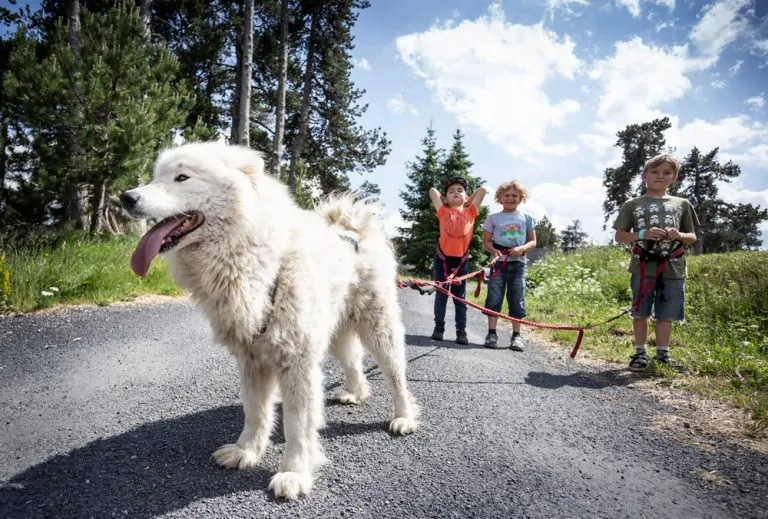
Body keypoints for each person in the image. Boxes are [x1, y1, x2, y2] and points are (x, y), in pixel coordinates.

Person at [612, 153, 699, 373]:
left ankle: (663, 355)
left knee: (666, 312)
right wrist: (643, 233)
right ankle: (640, 353)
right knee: (640, 311)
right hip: (643, 264)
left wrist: (678, 234)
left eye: (666, 172)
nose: (660, 176)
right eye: (654, 171)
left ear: (674, 178)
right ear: (644, 176)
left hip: (673, 265)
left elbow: (692, 236)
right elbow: (620, 236)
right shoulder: (632, 204)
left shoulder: (683, 204)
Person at [428, 176, 487, 345]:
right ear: (445, 198)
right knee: (441, 295)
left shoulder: (470, 212)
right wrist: (444, 200)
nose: (456, 193)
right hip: (443, 260)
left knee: (459, 298)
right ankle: (439, 328)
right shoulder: (443, 211)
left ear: (467, 197)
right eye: (451, 191)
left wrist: (468, 201)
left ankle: (461, 331)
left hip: (461, 262)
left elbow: (482, 191)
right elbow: (433, 192)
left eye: (460, 191)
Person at [481, 180, 536, 351]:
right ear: (499, 198)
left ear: (521, 198)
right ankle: (491, 333)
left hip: (518, 264)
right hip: (499, 263)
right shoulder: (493, 218)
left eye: (514, 195)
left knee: (517, 298)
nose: (510, 198)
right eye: (507, 195)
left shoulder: (527, 218)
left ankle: (516, 336)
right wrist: (493, 251)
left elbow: (533, 241)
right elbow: (486, 241)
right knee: (494, 296)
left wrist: (522, 248)